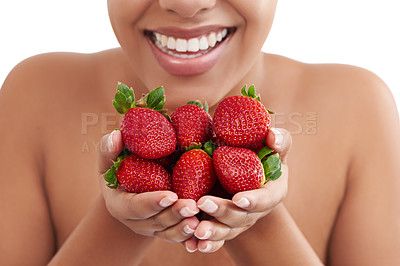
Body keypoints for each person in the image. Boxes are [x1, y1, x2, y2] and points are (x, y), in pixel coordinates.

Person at [0, 0, 399, 265]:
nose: (187, 3)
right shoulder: (35, 95)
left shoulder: (358, 107)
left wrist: (258, 218)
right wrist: (119, 219)